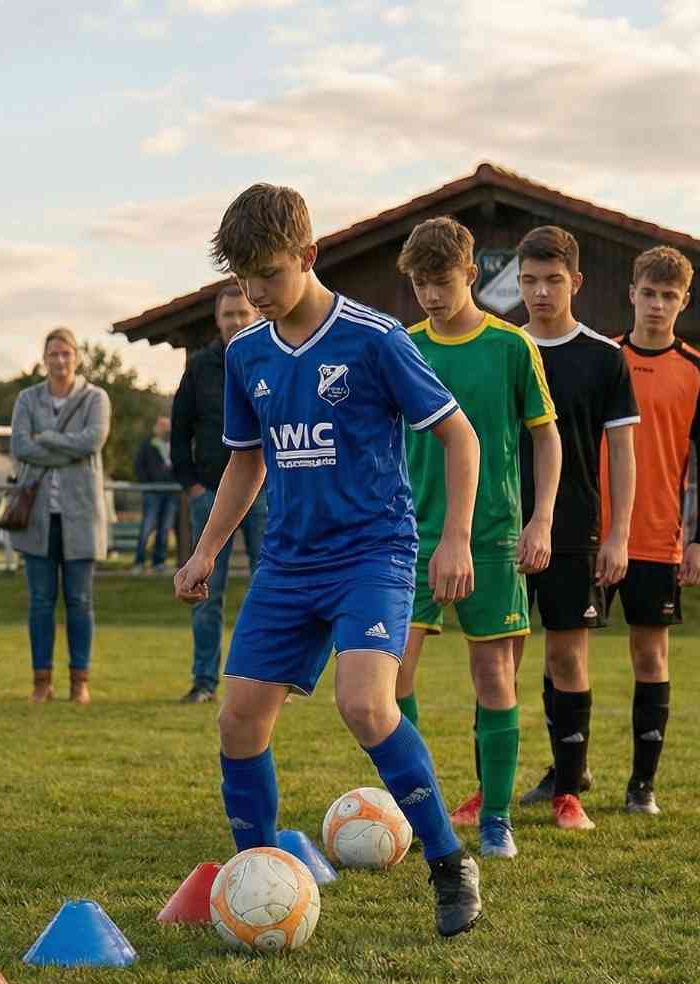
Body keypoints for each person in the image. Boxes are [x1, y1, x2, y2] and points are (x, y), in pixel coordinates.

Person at [174, 183, 484, 937]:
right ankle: (256, 873)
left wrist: (456, 537)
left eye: (270, 277)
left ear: (309, 257)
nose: (256, 295)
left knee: (365, 704)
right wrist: (206, 548)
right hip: (287, 562)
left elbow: (460, 436)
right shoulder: (247, 353)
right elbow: (246, 465)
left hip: (372, 553)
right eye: (243, 282)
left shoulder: (375, 339)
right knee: (238, 720)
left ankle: (449, 860)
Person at [390, 217, 560, 860]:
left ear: (470, 274)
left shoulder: (512, 347)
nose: (430, 296)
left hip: (491, 538)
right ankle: (416, 804)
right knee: (389, 676)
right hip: (407, 537)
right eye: (418, 284)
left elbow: (546, 435)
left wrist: (540, 519)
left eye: (440, 282)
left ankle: (495, 818)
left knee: (494, 677)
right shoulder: (400, 345)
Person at [508, 226, 639, 831]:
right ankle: (504, 784)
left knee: (565, 656)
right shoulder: (504, 348)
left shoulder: (604, 357)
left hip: (576, 531)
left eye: (551, 280)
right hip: (503, 529)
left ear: (575, 283)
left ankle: (569, 787)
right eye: (529, 280)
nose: (539, 291)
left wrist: (617, 535)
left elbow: (622, 453)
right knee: (500, 661)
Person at [609, 246, 700, 816]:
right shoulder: (603, 357)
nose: (657, 305)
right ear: (630, 293)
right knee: (565, 654)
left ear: (685, 301)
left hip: (658, 537)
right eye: (648, 292)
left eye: (668, 295)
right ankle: (566, 773)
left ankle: (641, 785)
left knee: (650, 655)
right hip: (591, 534)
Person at [170, 284, 269, 703]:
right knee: (206, 591)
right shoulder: (200, 368)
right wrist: (192, 486)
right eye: (229, 315)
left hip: (266, 495)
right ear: (218, 319)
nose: (237, 321)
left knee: (271, 586)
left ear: (255, 315)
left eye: (243, 314)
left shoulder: (271, 356)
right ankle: (205, 681)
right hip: (211, 493)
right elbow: (179, 432)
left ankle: (268, 679)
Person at [11, 328, 111, 704]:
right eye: (53, 354)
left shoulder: (95, 398)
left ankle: (79, 681)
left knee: (80, 601)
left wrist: (47, 438)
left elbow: (92, 441)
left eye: (66, 353)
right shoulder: (27, 398)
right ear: (44, 358)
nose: (60, 360)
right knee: (40, 601)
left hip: (81, 514)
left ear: (77, 356)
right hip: (36, 515)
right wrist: (67, 449)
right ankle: (41, 682)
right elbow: (20, 446)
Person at [133, 414, 176, 574]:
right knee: (147, 526)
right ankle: (139, 561)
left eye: (167, 426)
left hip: (171, 493)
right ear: (156, 428)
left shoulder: (174, 445)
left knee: (165, 528)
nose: (166, 429)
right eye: (162, 425)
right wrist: (147, 483)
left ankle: (159, 562)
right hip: (152, 492)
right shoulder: (148, 445)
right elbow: (138, 466)